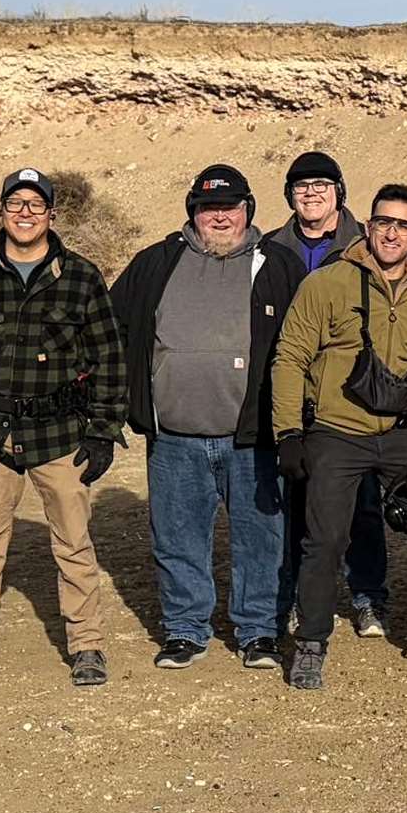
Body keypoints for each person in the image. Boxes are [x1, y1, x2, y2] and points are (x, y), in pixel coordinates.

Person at [270, 183, 407, 690]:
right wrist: (288, 434)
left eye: (405, 226)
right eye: (384, 222)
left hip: (403, 433)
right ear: (368, 225)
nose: (393, 233)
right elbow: (291, 358)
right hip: (337, 433)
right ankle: (312, 642)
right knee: (324, 539)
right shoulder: (326, 284)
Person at [0, 168, 126, 691]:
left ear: (52, 215)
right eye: (16, 203)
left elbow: (109, 359)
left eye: (36, 204)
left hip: (61, 435)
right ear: (1, 212)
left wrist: (102, 431)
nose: (26, 213)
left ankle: (86, 646)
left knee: (75, 545)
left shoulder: (81, 277)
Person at [109, 164, 304, 671]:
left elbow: (309, 345)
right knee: (177, 537)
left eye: (230, 208)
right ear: (193, 213)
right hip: (175, 436)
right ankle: (185, 629)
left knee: (262, 539)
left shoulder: (279, 266)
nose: (219, 218)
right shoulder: (156, 262)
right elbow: (111, 327)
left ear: (248, 211)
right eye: (208, 208)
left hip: (253, 435)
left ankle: (258, 631)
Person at [265, 150, 389, 637]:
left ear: (339, 191)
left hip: (352, 396)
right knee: (298, 504)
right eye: (300, 187)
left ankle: (368, 597)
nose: (310, 194)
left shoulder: (366, 245)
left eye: (320, 185)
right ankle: (300, 595)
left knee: (363, 503)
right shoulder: (271, 249)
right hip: (297, 391)